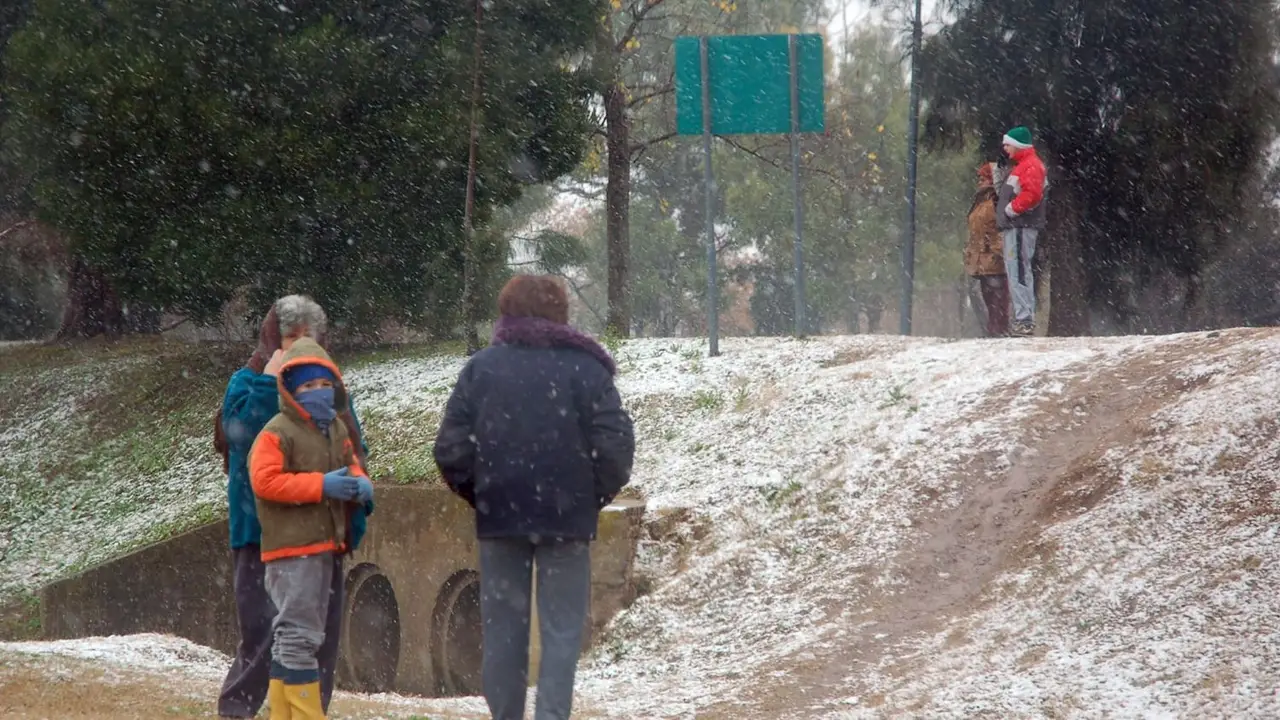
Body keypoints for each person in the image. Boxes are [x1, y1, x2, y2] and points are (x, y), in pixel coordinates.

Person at [433, 275, 635, 720]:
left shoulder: (481, 369)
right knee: (562, 635)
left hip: (500, 516)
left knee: (504, 634)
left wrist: (481, 492)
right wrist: (589, 496)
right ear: (562, 315)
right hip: (567, 520)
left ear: (507, 314)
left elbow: (450, 450)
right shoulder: (588, 370)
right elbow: (616, 447)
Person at [215, 295, 368, 719]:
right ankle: (238, 710)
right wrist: (269, 383)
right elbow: (241, 443)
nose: (298, 345)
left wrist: (357, 496)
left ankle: (307, 712)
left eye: (308, 336)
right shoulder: (246, 383)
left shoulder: (331, 391)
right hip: (260, 535)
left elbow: (353, 449)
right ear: (271, 339)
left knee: (320, 636)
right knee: (261, 635)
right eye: (290, 336)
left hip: (322, 538)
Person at [249, 335, 374, 720]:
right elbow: (264, 481)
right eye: (307, 386)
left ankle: (284, 714)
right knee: (299, 636)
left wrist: (359, 482)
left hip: (324, 545)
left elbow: (350, 460)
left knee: (298, 636)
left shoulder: (335, 427)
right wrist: (321, 486)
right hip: (292, 549)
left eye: (324, 385)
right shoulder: (276, 431)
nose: (318, 392)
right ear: (290, 390)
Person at [997, 125, 1048, 337]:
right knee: (1017, 270)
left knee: (1018, 270)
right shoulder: (1024, 165)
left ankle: (1024, 319)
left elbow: (1032, 194)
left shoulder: (1030, 166)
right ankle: (1023, 318)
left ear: (1018, 145)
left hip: (1019, 227)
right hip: (1016, 227)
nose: (1004, 148)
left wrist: (1010, 210)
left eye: (1007, 144)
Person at [966, 162, 1010, 337]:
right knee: (987, 294)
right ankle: (992, 329)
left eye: (983, 178)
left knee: (997, 294)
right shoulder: (980, 200)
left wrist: (998, 248)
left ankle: (999, 328)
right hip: (980, 256)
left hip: (993, 253)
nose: (980, 181)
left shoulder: (997, 199)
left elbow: (999, 226)